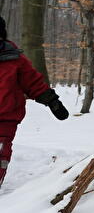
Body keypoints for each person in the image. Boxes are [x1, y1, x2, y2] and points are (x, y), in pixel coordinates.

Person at [0, 15, 69, 189]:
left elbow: (33, 83)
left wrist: (52, 101)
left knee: (1, 152)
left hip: (5, 118)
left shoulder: (14, 59)